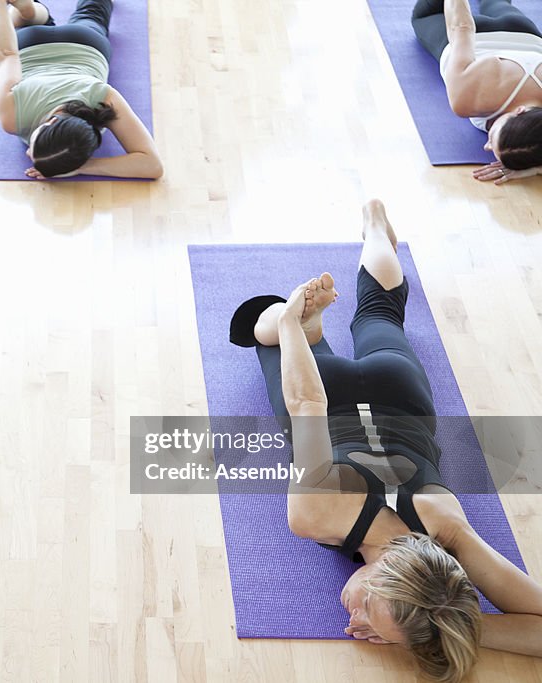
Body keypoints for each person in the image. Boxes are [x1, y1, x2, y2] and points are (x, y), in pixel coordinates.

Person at [229, 200, 542, 682]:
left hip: (398, 390)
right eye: (371, 604)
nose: (354, 616)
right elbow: (307, 404)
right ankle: (301, 325)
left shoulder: (445, 527)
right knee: (267, 326)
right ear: (390, 573)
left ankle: (373, 230)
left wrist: (447, 626)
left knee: (382, 312)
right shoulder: (318, 514)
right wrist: (288, 324)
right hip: (327, 396)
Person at [0, 0, 162, 179]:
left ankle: (31, 12)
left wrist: (82, 167)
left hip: (84, 41)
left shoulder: (102, 98)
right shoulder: (10, 116)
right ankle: (29, 13)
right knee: (16, 22)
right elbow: (7, 54)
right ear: (51, 123)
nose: (27, 154)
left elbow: (152, 164)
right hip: (31, 43)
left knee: (93, 9)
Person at [411, 0, 542, 184]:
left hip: (524, 31)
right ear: (518, 111)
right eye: (492, 139)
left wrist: (535, 166)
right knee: (425, 16)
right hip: (477, 35)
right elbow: (461, 27)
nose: (486, 146)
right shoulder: (468, 98)